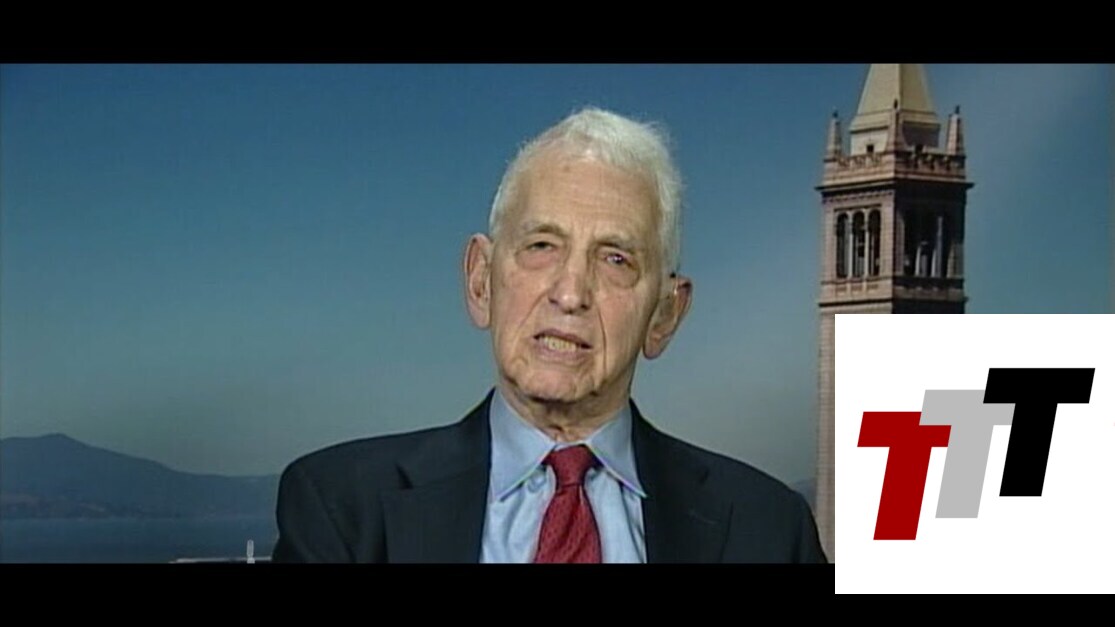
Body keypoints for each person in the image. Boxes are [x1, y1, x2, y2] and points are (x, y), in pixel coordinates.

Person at [271, 107, 826, 563]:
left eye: (615, 259)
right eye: (541, 246)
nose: (570, 292)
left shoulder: (769, 532)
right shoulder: (341, 510)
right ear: (481, 281)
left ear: (664, 315)